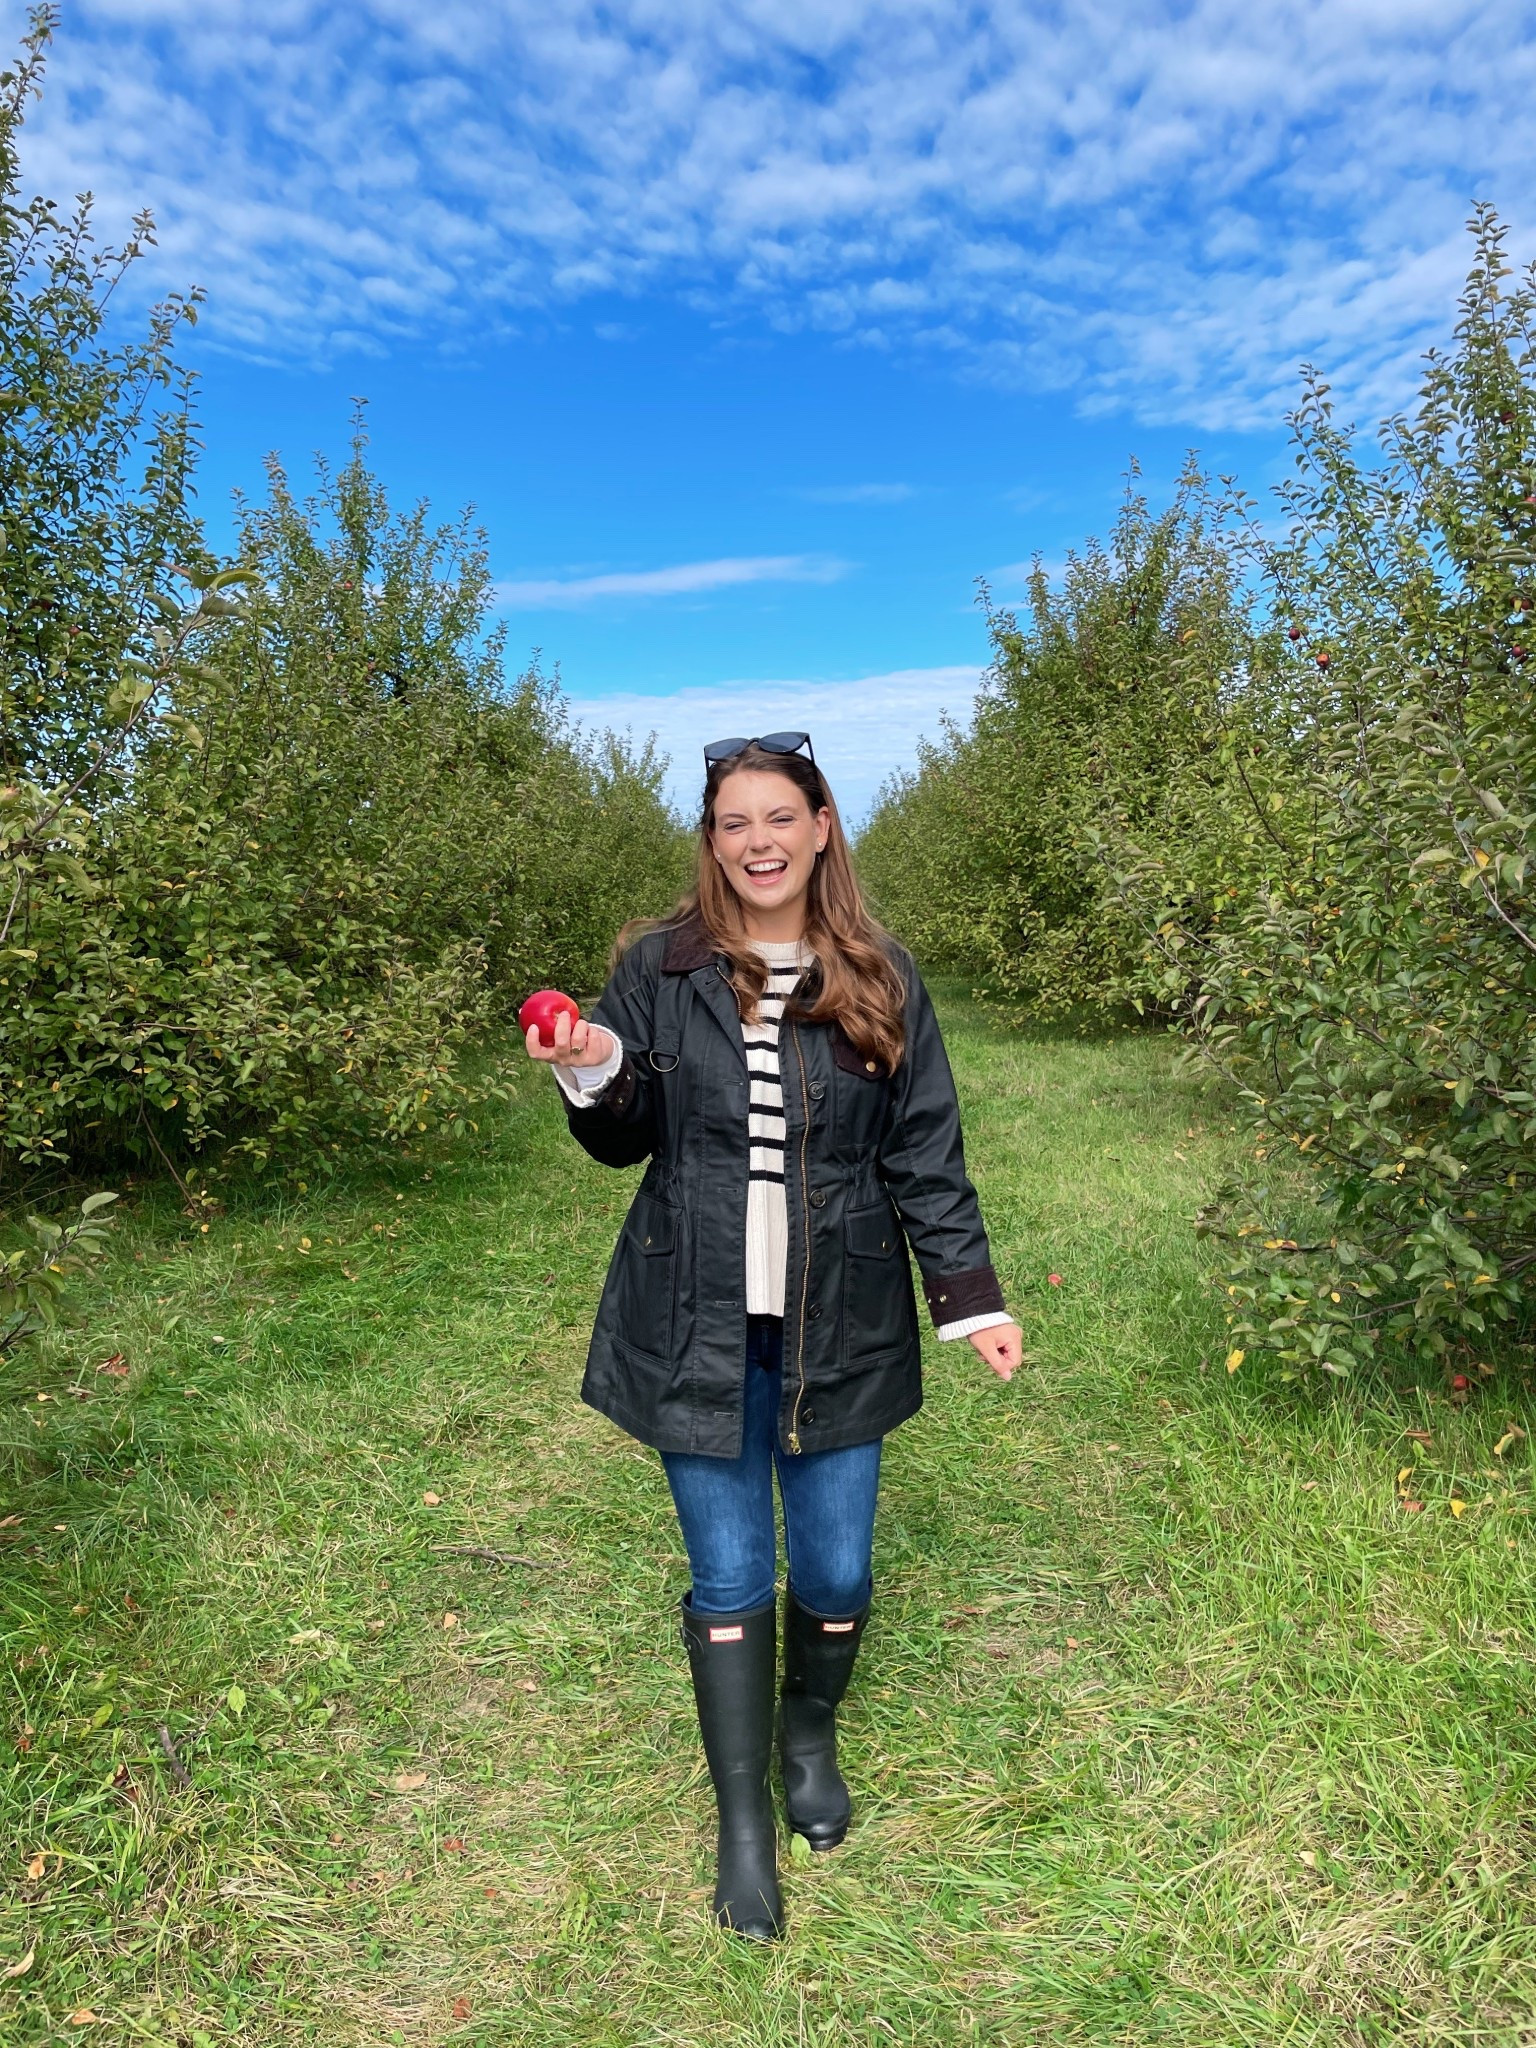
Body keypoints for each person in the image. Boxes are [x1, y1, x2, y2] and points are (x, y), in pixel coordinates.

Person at [522, 731, 1022, 1942]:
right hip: (691, 1318)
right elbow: (624, 1129)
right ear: (713, 840)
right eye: (734, 821)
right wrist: (592, 1061)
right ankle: (743, 1819)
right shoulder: (662, 966)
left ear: (821, 825)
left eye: (779, 816)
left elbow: (924, 1147)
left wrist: (971, 1296)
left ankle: (808, 1733)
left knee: (837, 1570)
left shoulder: (881, 973)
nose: (758, 841)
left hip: (842, 1313)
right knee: (734, 1575)